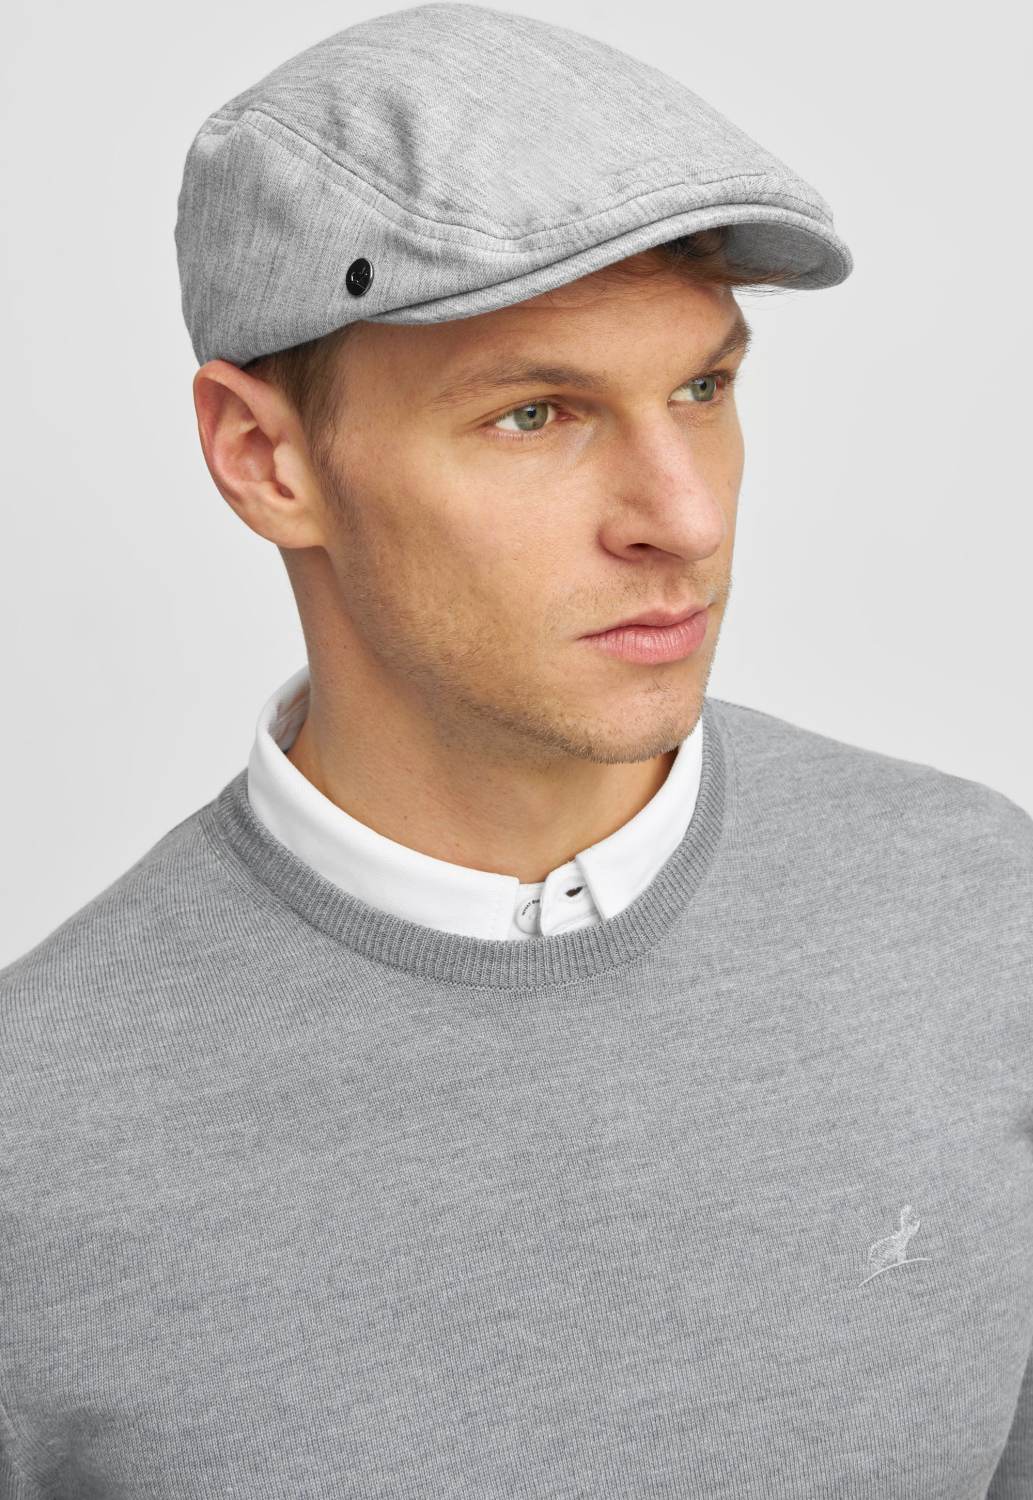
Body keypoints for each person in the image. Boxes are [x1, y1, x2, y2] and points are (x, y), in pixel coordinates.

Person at [2, 4, 1030, 1496]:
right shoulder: (37, 1147)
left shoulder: (978, 913)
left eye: (703, 388)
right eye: (536, 414)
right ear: (265, 457)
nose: (683, 516)